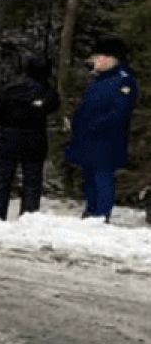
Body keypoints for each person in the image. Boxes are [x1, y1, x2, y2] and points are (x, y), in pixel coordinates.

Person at [65, 36, 140, 221]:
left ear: (110, 58)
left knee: (102, 176)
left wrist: (97, 124)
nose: (95, 62)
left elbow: (120, 110)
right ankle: (91, 209)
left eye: (98, 57)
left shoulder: (124, 81)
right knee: (89, 175)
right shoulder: (100, 80)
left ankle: (101, 213)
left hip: (107, 139)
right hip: (89, 138)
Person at [0, 55, 59, 220]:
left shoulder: (11, 88)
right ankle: (29, 214)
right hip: (35, 136)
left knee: (2, 177)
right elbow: (54, 106)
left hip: (10, 135)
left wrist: (5, 122)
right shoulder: (47, 91)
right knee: (32, 178)